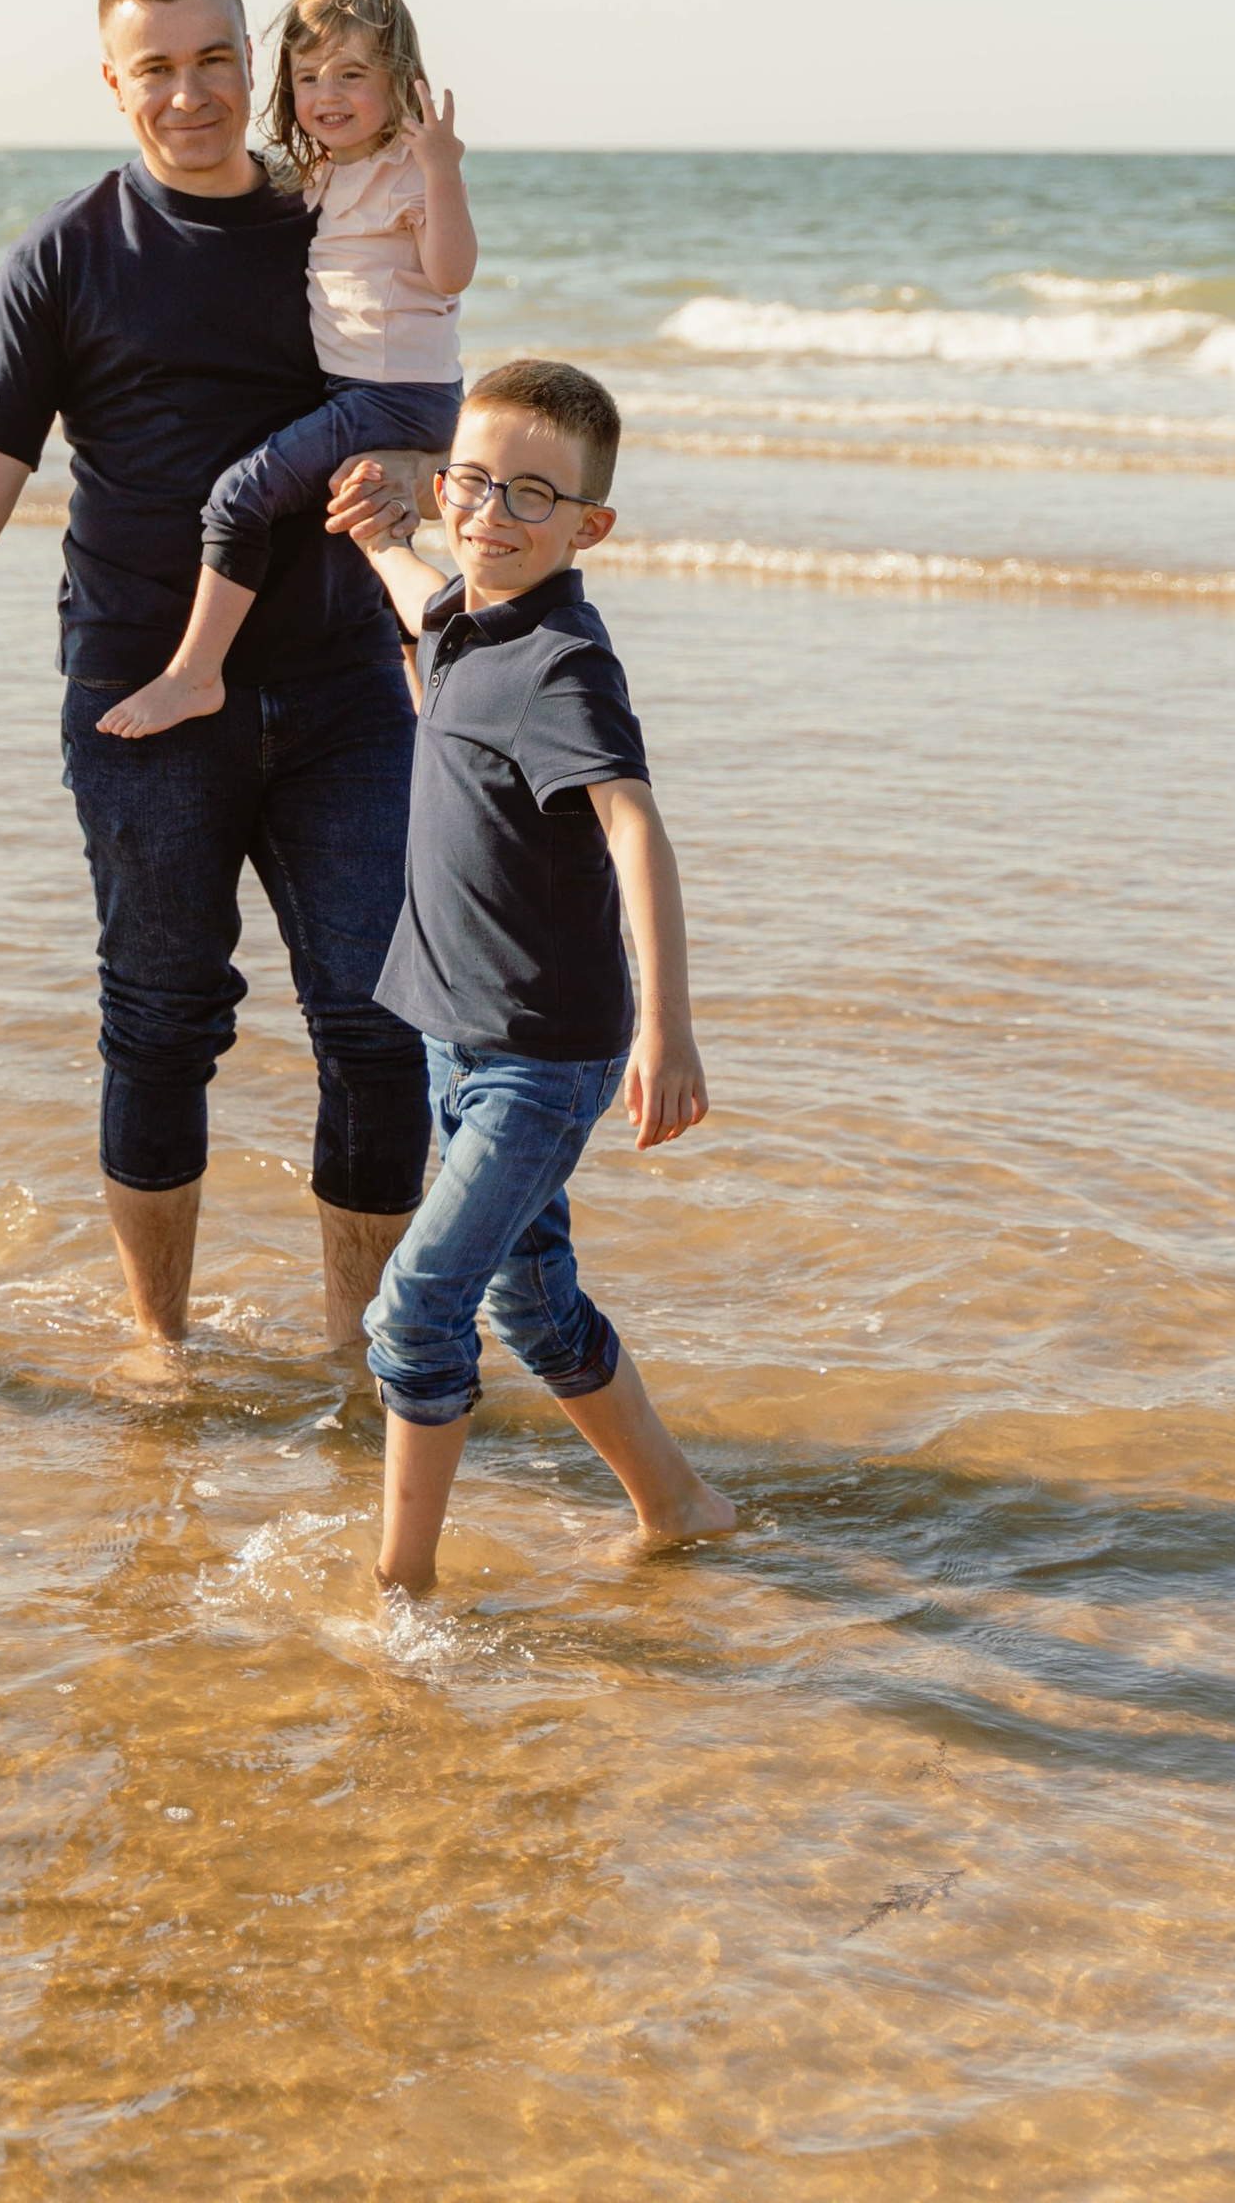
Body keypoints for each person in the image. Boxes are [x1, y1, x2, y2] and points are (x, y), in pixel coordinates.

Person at [0, 0, 435, 1380]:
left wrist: (423, 493)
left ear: (248, 57)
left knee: (378, 1026)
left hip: (342, 692)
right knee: (158, 1017)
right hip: (142, 704)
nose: (191, 95)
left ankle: (353, 1353)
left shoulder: (337, 209)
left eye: (215, 60)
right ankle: (160, 1342)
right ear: (112, 81)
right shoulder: (67, 258)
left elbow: (422, 385)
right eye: (158, 69)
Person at [327, 357, 740, 1588]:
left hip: (542, 1056)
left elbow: (633, 828)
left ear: (588, 526)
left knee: (414, 1308)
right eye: (473, 483)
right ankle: (678, 1506)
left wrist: (668, 1032)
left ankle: (400, 1588)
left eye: (530, 497)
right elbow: (419, 597)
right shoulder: (464, 610)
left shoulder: (564, 664)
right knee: (532, 1303)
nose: (490, 515)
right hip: (451, 1033)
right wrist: (379, 532)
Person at [96, 0, 475, 741]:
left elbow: (452, 272)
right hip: (358, 391)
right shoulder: (328, 171)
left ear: (400, 80)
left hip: (395, 393)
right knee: (371, 529)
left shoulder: (409, 165)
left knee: (241, 496)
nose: (326, 93)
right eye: (307, 77)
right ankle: (434, 678)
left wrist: (442, 168)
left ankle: (195, 674)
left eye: (351, 74)